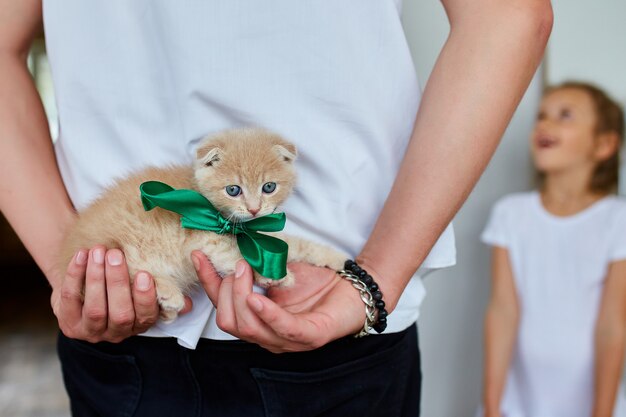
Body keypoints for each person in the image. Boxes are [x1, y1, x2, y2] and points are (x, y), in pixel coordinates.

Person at [0, 0, 552, 415]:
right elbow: (508, 17)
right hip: (319, 310)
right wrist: (374, 281)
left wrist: (69, 270)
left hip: (281, 312)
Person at [481, 82, 626, 417]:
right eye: (541, 116)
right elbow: (503, 311)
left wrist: (601, 412)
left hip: (590, 403)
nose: (544, 124)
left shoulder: (617, 221)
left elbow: (612, 324)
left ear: (604, 144)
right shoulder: (511, 214)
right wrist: (491, 406)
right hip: (517, 402)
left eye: (565, 116)